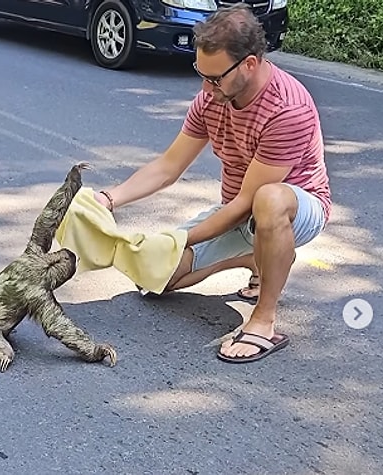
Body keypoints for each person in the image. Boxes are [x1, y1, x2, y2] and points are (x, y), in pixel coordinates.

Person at [94, 3, 331, 363]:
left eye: (215, 78)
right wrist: (109, 199)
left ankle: (263, 320)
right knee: (155, 278)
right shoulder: (212, 99)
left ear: (249, 64)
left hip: (295, 209)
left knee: (268, 199)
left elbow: (248, 201)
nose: (206, 87)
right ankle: (255, 259)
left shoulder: (288, 109)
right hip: (238, 211)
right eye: (200, 74)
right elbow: (168, 166)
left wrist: (179, 239)